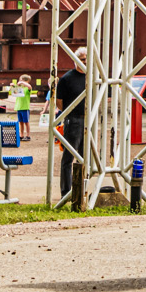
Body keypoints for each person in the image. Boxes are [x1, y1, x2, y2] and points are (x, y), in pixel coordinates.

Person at [55, 49, 87, 199]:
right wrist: (70, 113)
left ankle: (81, 190)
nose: (84, 61)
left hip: (88, 120)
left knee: (84, 156)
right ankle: (66, 192)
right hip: (73, 120)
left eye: (86, 59)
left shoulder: (91, 77)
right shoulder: (67, 79)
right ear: (75, 60)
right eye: (81, 59)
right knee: (69, 157)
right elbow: (59, 102)